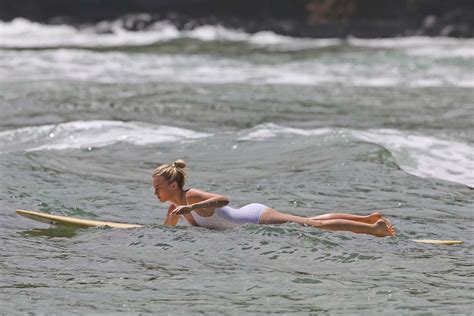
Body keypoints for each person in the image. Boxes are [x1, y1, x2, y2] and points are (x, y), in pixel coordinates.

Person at [152, 160, 395, 237]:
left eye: (159, 187)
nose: (156, 193)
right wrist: (170, 224)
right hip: (246, 221)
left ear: (174, 185)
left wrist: (192, 207)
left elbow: (223, 200)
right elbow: (170, 235)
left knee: (314, 226)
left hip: (255, 216)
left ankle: (375, 229)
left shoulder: (190, 196)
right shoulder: (177, 206)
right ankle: (365, 219)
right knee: (310, 220)